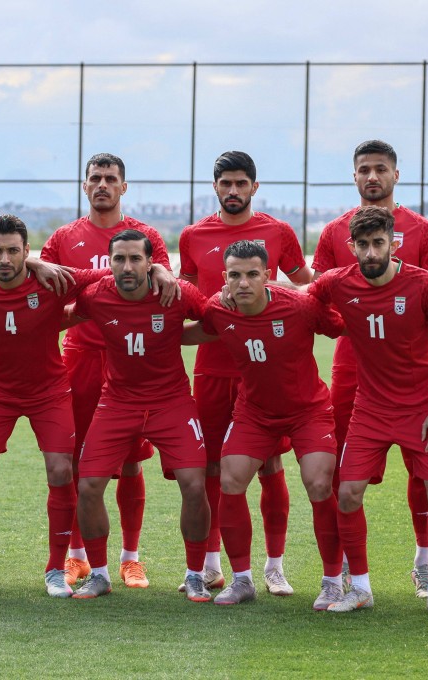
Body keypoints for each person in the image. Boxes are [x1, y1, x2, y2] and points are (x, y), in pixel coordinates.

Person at [0, 215, 171, 598]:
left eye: (14, 251)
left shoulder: (54, 280)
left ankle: (56, 570)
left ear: (27, 250)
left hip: (49, 391)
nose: (5, 259)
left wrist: (157, 268)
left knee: (61, 470)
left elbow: (109, 273)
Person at [310, 206, 428, 617]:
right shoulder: (338, 282)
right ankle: (360, 588)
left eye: (379, 243)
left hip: (423, 409)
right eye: (363, 245)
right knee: (348, 493)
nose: (371, 252)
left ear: (394, 244)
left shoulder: (425, 285)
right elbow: (302, 299)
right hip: (371, 410)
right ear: (352, 247)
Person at [184, 240, 347, 609]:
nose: (243, 283)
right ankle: (242, 580)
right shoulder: (219, 309)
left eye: (252, 274)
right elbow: (194, 331)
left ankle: (333, 582)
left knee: (319, 483)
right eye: (235, 275)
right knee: (230, 479)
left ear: (267, 276)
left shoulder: (300, 306)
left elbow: (343, 326)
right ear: (225, 278)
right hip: (254, 413)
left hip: (308, 411)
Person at [178, 150, 311, 596]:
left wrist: (269, 290)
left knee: (271, 464)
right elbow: (189, 298)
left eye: (241, 183)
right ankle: (212, 565)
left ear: (255, 186)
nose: (233, 190)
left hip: (264, 370)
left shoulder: (278, 231)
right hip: (213, 369)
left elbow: (306, 287)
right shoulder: (193, 235)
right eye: (225, 183)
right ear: (214, 187)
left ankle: (274, 566)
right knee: (214, 465)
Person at [40, 153, 171, 589]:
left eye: (110, 178)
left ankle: (131, 558)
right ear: (84, 186)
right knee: (78, 462)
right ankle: (77, 556)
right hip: (80, 359)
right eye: (95, 178)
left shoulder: (146, 236)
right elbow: (45, 293)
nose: (102, 185)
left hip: (131, 360)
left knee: (131, 463)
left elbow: (164, 282)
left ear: (123, 187)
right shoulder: (63, 237)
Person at [69, 230, 212, 602]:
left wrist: (177, 335)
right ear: (110, 263)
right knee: (88, 485)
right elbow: (61, 313)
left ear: (151, 262)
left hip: (171, 401)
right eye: (120, 259)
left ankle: (195, 575)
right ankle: (99, 575)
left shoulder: (176, 292)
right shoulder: (95, 295)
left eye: (136, 258)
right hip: (117, 402)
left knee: (194, 485)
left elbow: (215, 321)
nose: (128, 266)